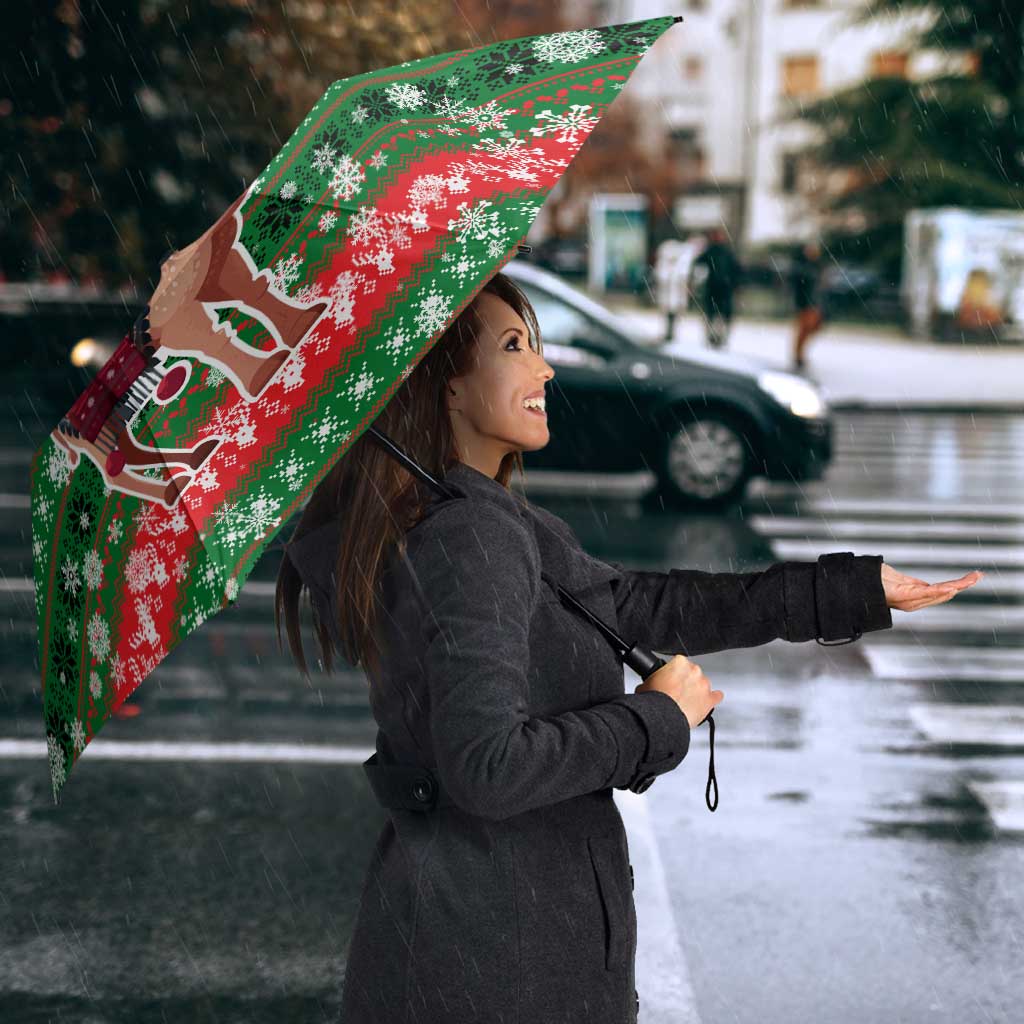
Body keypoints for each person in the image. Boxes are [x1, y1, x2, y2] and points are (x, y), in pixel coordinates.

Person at [276, 271, 905, 1024]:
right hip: (501, 962)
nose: (544, 368)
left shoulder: (473, 516)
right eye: (515, 346)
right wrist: (656, 720)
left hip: (478, 940)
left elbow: (636, 604)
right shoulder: (470, 536)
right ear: (445, 385)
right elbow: (488, 767)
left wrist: (849, 592)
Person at [692, 226, 742, 349]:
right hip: (715, 288)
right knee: (713, 314)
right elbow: (698, 264)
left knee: (720, 315)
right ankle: (713, 337)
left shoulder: (725, 252)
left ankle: (719, 337)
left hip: (723, 288)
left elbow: (736, 270)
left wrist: (735, 284)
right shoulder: (712, 251)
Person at [790, 239, 826, 371]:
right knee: (804, 329)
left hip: (814, 303)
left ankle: (800, 354)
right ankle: (798, 355)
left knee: (812, 328)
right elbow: (799, 286)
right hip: (805, 303)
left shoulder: (817, 266)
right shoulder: (802, 267)